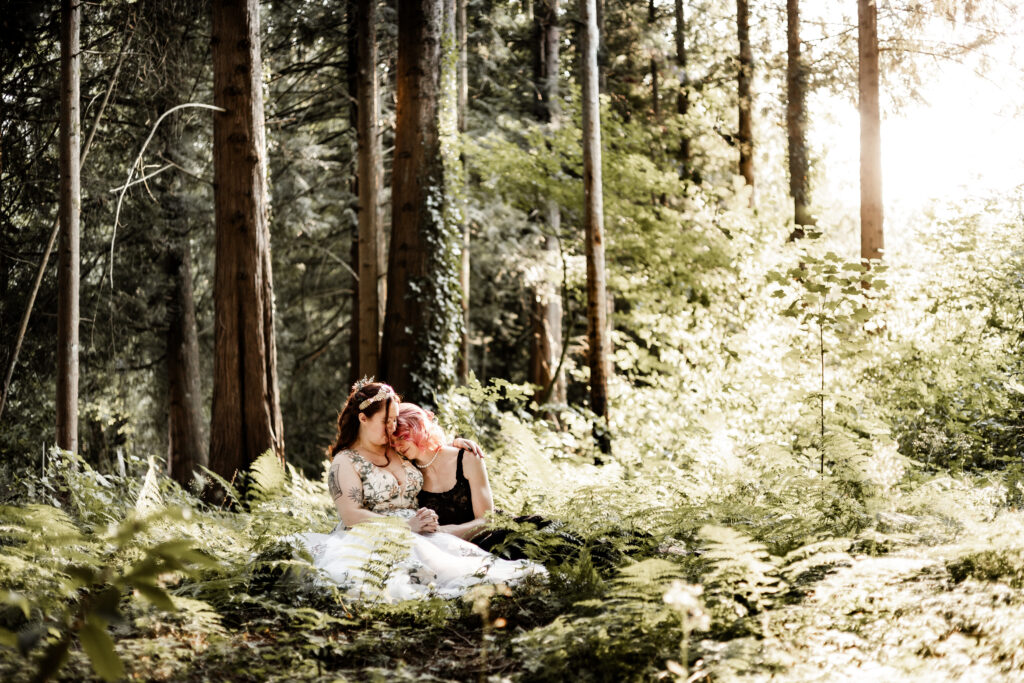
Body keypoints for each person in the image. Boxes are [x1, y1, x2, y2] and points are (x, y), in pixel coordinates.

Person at [293, 381, 545, 602]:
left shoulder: (395, 448)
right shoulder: (344, 462)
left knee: (466, 567)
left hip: (423, 531)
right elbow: (351, 516)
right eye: (386, 421)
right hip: (375, 534)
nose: (392, 428)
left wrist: (456, 445)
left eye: (394, 420)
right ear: (363, 419)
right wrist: (405, 527)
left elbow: (427, 449)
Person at [393, 402, 578, 561]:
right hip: (449, 551)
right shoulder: (405, 471)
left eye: (402, 436)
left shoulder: (466, 458)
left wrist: (444, 532)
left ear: (420, 428)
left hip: (491, 536)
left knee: (558, 539)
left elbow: (487, 521)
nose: (398, 445)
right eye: (393, 442)